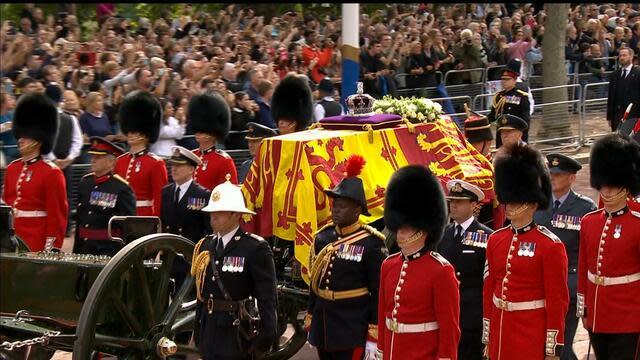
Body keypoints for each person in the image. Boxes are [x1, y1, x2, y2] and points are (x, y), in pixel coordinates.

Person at [483, 144, 569, 360]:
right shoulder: (496, 240)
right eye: (508, 200)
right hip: (501, 333)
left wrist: (552, 347)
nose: (510, 205)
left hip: (530, 334)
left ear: (532, 203)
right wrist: (488, 337)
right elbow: (489, 292)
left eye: (516, 200)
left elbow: (557, 300)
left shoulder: (550, 245)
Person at [306, 155, 388, 360]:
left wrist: (374, 333)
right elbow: (315, 283)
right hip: (324, 324)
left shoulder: (371, 243)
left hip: (351, 327)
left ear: (357, 209)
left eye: (342, 206)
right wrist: (310, 315)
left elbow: (378, 291)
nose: (335, 210)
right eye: (334, 205)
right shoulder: (323, 237)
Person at [378, 165, 460, 359]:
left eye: (405, 229)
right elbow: (383, 317)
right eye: (397, 228)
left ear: (422, 231)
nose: (399, 234)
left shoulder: (441, 271)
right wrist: (381, 351)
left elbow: (449, 328)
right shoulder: (388, 265)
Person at [191, 176, 277, 360]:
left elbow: (267, 298)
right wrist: (198, 329)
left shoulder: (254, 248)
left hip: (236, 334)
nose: (213, 216)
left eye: (220, 211)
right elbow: (201, 295)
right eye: (212, 211)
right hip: (209, 331)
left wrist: (264, 339)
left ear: (236, 214)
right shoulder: (206, 245)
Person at [577, 134, 640, 360]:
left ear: (626, 185)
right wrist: (583, 310)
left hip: (629, 317)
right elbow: (585, 268)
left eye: (613, 185)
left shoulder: (637, 223)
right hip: (597, 315)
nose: (607, 190)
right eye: (604, 184)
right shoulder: (590, 222)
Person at [533, 153, 596, 360]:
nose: (552, 177)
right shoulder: (537, 205)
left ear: (571, 178)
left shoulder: (585, 208)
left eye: (558, 174)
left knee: (562, 343)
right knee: (542, 343)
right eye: (550, 173)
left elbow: (590, 252)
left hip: (568, 286)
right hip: (538, 286)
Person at [1, 93, 68, 252]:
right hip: (10, 241)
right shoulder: (12, 168)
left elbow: (56, 217)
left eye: (26, 136)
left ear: (38, 139)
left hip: (34, 242)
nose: (20, 140)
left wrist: (50, 250)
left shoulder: (51, 172)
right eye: (20, 135)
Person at [438, 179, 493, 360]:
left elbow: (489, 278)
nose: (453, 206)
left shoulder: (486, 236)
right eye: (451, 201)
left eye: (459, 202)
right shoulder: (442, 234)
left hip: (472, 312)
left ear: (473, 204)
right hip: (446, 309)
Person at [74, 137, 136, 255]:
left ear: (111, 162)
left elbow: (128, 225)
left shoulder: (121, 188)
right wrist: (76, 249)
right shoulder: (85, 183)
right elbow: (80, 218)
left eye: (98, 157)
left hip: (107, 249)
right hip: (84, 246)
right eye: (93, 157)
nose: (93, 160)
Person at [114, 90, 168, 216]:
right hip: (121, 216)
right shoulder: (120, 161)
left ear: (146, 134)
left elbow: (160, 198)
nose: (131, 134)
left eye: (136, 132)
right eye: (130, 131)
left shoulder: (155, 163)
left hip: (144, 217)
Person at [187, 92, 238, 190]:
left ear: (213, 134)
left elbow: (229, 194)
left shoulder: (224, 161)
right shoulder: (191, 156)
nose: (198, 132)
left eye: (203, 131)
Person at [161, 146, 211, 243]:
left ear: (191, 170)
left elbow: (207, 228)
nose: (174, 169)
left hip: (191, 247)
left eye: (179, 166)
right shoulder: (166, 192)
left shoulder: (202, 194)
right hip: (169, 248)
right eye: (173, 165)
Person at [487, 60, 531, 147]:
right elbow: (493, 115)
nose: (504, 81)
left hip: (516, 133)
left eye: (507, 79)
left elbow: (526, 118)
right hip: (502, 134)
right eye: (502, 79)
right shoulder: (499, 96)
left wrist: (523, 135)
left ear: (514, 80)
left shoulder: (521, 95)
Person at [606, 47, 640, 132]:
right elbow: (611, 97)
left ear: (631, 57)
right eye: (620, 55)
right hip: (617, 115)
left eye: (624, 55)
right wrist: (609, 116)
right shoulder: (614, 75)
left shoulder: (638, 73)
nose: (621, 58)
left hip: (634, 115)